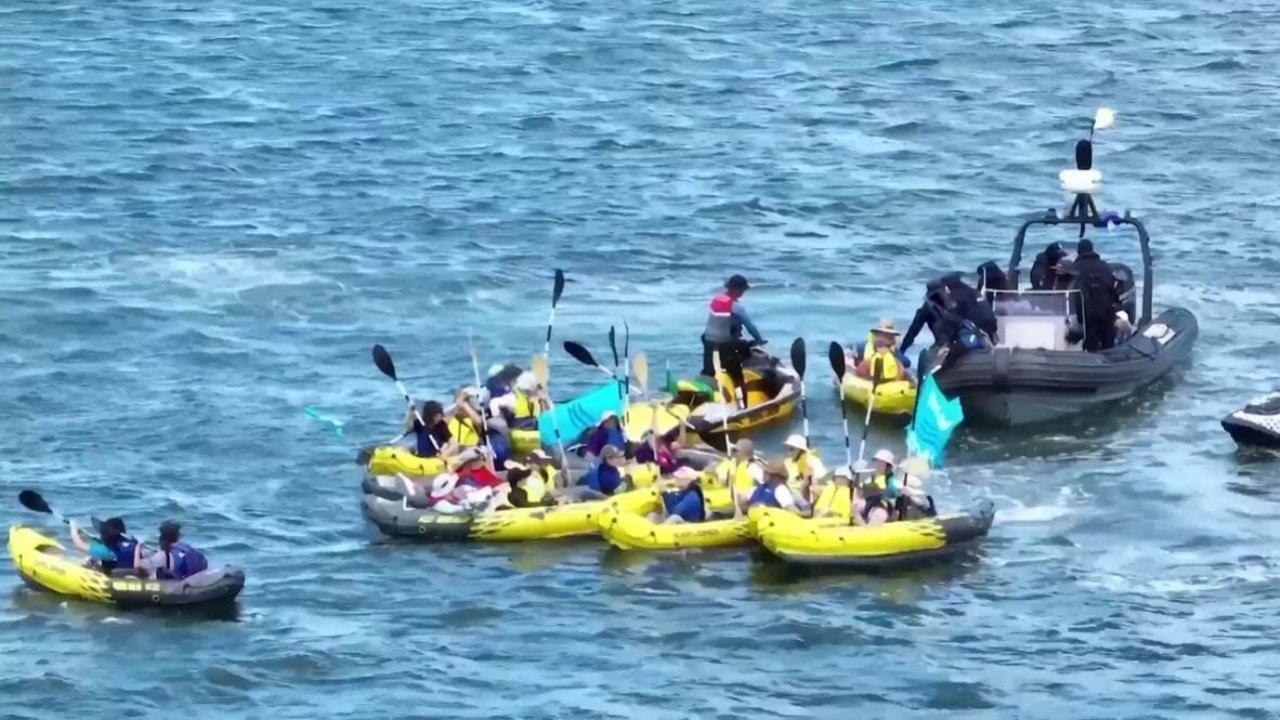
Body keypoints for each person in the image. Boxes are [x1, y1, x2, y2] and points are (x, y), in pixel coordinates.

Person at [701, 274, 766, 383]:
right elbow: (750, 326)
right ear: (738, 290)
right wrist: (759, 339)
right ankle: (740, 387)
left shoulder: (716, 299)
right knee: (738, 370)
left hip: (708, 340)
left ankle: (707, 378)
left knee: (709, 370)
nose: (743, 293)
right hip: (725, 344)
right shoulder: (736, 306)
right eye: (742, 290)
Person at [1069, 238, 1121, 352]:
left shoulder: (1075, 267)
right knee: (1108, 345)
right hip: (1107, 311)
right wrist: (1116, 306)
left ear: (1079, 251)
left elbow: (1073, 293)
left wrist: (1078, 317)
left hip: (1087, 313)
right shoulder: (1105, 266)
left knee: (1091, 346)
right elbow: (1113, 288)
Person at [134, 521, 209, 580]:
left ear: (162, 537)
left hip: (172, 584)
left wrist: (138, 547)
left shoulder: (163, 555)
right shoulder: (185, 547)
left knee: (132, 576)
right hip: (185, 577)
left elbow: (137, 566)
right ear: (178, 535)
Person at [69, 517, 137, 573]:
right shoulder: (131, 543)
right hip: (127, 570)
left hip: (115, 575)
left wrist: (73, 528)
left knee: (88, 562)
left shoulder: (108, 550)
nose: (101, 532)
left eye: (104, 531)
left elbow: (79, 545)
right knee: (91, 559)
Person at [715, 438, 764, 512]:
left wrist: (748, 494)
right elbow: (719, 474)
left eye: (736, 450)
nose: (734, 453)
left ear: (744, 452)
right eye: (734, 450)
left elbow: (765, 485)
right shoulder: (732, 462)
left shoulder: (753, 467)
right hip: (731, 499)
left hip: (745, 502)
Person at [854, 449, 900, 526]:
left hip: (883, 507)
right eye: (876, 462)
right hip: (870, 505)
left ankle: (868, 528)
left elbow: (894, 492)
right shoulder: (871, 478)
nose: (877, 464)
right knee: (856, 505)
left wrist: (878, 491)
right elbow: (861, 492)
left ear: (888, 465)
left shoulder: (891, 480)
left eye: (881, 462)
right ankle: (861, 524)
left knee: (878, 512)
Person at [781, 434, 828, 503]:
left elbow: (815, 481)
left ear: (800, 450)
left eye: (791, 449)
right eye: (787, 448)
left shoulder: (810, 461)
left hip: (808, 492)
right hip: (795, 492)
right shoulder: (789, 461)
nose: (788, 451)